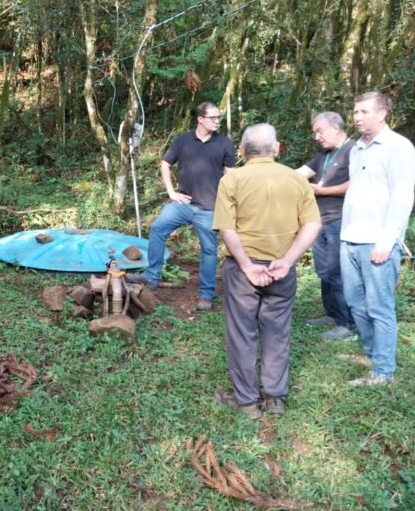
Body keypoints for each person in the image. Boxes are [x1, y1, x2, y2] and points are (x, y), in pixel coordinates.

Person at [212, 123, 320, 419]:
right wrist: (287, 261)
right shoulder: (296, 180)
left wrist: (246, 265)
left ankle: (247, 402)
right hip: (282, 270)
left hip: (242, 272)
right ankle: (275, 399)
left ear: (243, 151)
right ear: (277, 148)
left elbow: (226, 227)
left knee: (242, 334)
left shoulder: (232, 180)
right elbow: (312, 224)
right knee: (278, 332)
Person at [129, 102, 235, 311]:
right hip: (183, 203)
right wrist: (171, 192)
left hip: (209, 207)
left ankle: (206, 293)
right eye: (213, 117)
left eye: (218, 118)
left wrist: (227, 203)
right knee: (157, 229)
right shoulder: (183, 140)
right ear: (200, 119)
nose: (217, 121)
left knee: (209, 250)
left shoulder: (224, 143)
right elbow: (165, 164)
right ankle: (151, 277)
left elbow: (230, 176)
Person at [340, 92, 415, 386]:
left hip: (377, 242)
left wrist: (388, 241)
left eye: (363, 112)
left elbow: (402, 197)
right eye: (355, 111)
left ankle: (383, 371)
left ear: (382, 114)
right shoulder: (357, 148)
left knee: (379, 306)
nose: (357, 117)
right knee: (355, 302)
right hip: (350, 238)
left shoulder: (399, 147)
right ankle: (371, 353)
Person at [296, 112, 355, 341]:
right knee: (324, 272)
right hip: (318, 220)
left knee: (337, 272)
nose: (316, 136)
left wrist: (322, 191)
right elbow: (299, 174)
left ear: (336, 128)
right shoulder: (323, 155)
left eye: (319, 131)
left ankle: (346, 324)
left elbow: (356, 183)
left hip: (340, 220)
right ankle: (331, 314)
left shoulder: (353, 150)